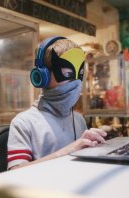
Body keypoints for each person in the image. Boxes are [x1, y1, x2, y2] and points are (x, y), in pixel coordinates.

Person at [7, 36, 107, 170]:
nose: (77, 83)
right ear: (42, 77)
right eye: (67, 73)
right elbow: (14, 173)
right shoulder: (23, 123)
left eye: (80, 74)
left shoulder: (78, 119)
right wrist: (66, 151)